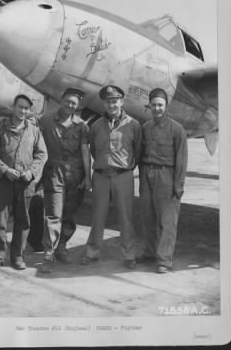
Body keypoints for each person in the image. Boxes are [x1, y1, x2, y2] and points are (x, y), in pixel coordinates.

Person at [80, 85, 142, 269]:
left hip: (123, 176)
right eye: (108, 102)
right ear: (104, 104)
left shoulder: (133, 125)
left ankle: (129, 255)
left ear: (121, 102)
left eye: (115, 101)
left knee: (126, 218)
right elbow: (93, 150)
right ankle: (92, 253)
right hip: (100, 176)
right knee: (97, 217)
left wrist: (126, 167)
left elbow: (137, 150)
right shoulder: (97, 126)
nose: (111, 105)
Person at [0, 94, 48, 271]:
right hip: (4, 181)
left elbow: (41, 154)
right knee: (0, 220)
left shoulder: (34, 130)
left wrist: (32, 172)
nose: (23, 111)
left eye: (26, 108)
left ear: (30, 110)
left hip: (26, 183)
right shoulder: (0, 127)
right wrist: (5, 170)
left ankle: (18, 256)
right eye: (20, 107)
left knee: (23, 221)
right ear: (14, 107)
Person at [38, 88, 92, 273]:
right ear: (61, 100)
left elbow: (85, 152)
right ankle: (48, 253)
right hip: (54, 170)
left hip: (75, 173)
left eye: (74, 104)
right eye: (68, 101)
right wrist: (1, 122)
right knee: (53, 214)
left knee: (69, 214)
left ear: (78, 106)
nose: (70, 105)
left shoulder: (82, 126)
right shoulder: (45, 120)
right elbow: (30, 132)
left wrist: (87, 177)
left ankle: (62, 246)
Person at [138, 88, 188, 273]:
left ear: (166, 106)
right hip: (146, 174)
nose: (157, 108)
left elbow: (182, 159)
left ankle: (164, 260)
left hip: (166, 176)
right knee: (147, 217)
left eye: (160, 105)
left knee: (167, 221)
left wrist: (178, 185)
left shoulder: (177, 129)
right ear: (149, 106)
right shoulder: (145, 127)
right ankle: (150, 252)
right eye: (154, 105)